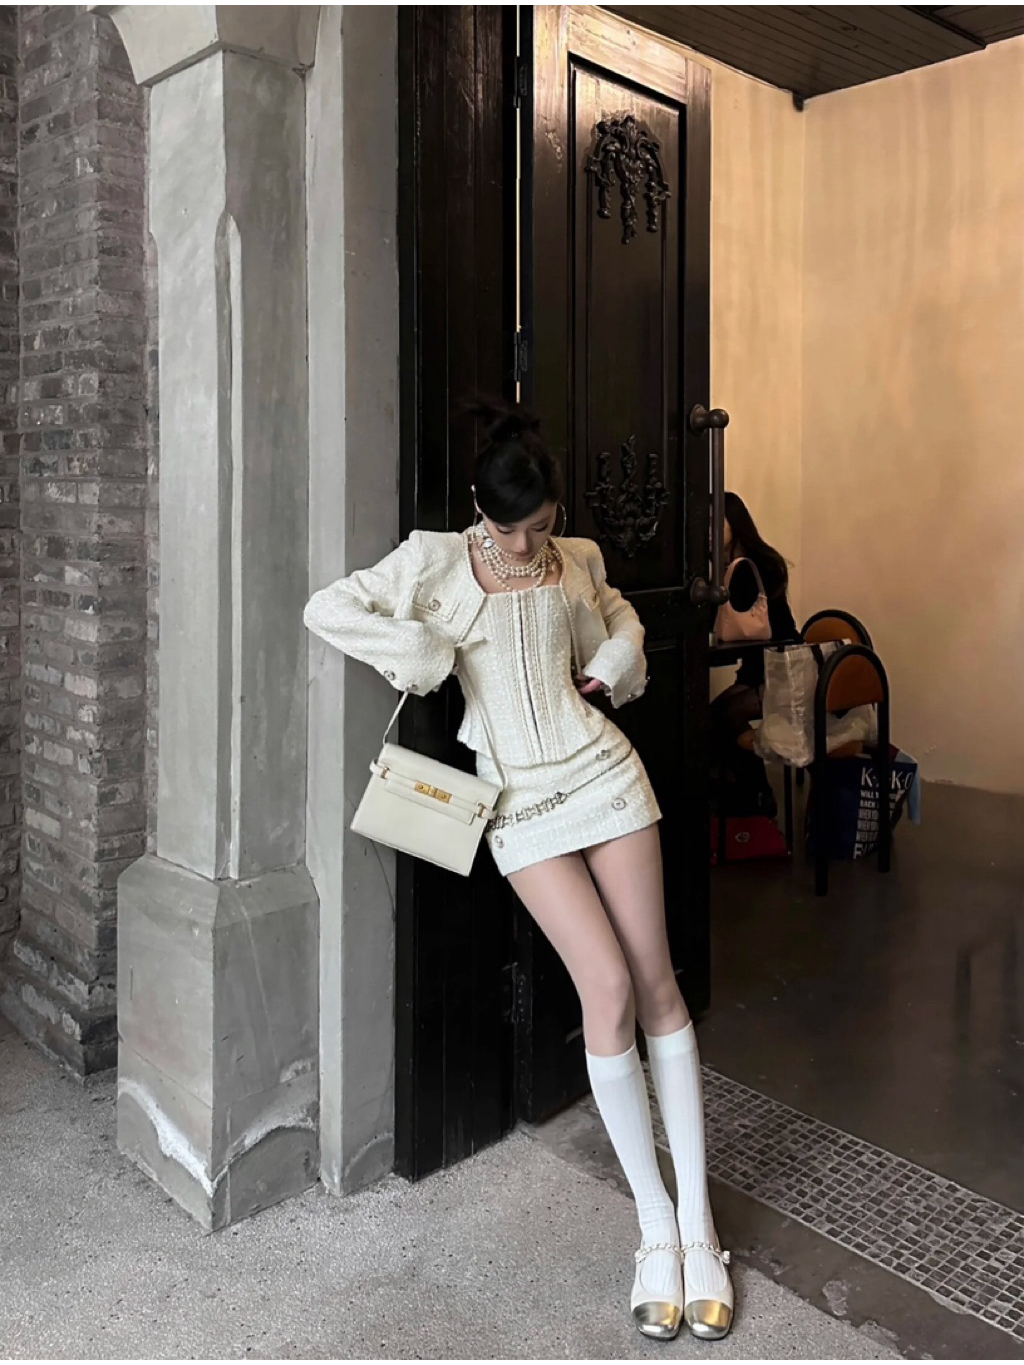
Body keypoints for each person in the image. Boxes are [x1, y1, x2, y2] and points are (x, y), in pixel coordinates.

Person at [303, 399, 734, 1343]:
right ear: (480, 508)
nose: (531, 543)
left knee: (658, 985)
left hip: (604, 775)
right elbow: (327, 606)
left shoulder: (577, 557)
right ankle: (653, 1226)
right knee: (605, 989)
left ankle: (699, 1227)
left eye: (542, 524)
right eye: (513, 530)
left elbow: (619, 617)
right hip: (519, 804)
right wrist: (420, 650)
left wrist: (614, 658)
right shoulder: (433, 561)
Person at [711, 493, 797, 816]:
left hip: (783, 669)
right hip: (760, 668)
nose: (708, 530)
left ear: (735, 523)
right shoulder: (734, 566)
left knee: (724, 716)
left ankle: (757, 794)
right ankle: (747, 791)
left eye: (716, 522)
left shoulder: (751, 567)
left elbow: (735, 625)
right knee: (711, 717)